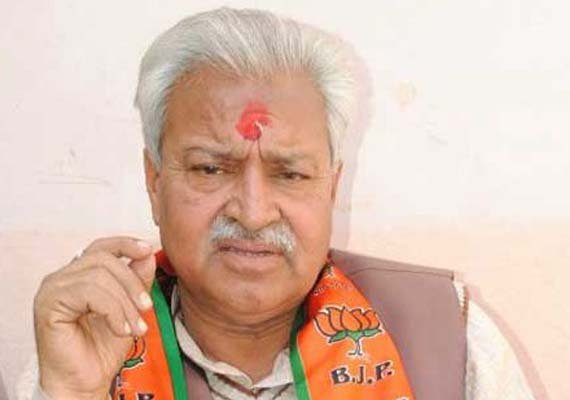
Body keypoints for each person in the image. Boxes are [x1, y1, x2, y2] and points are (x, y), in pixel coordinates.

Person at [28, 7, 535, 400]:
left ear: (331, 188)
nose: (253, 213)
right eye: (211, 169)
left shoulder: (447, 335)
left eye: (290, 174)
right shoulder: (94, 336)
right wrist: (74, 393)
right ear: (153, 181)